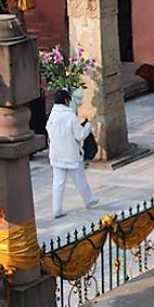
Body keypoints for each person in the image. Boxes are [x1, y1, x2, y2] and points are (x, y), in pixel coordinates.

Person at [47, 89, 98, 219]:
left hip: (56, 154)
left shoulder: (52, 115)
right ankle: (89, 200)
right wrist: (87, 126)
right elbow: (80, 135)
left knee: (58, 182)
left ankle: (56, 209)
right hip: (71, 154)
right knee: (80, 179)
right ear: (66, 101)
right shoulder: (69, 116)